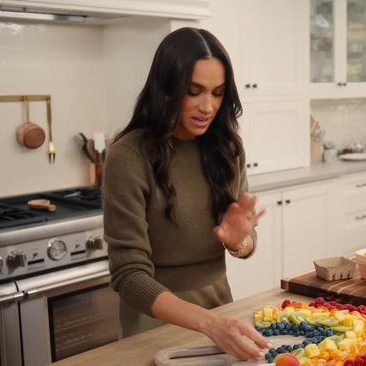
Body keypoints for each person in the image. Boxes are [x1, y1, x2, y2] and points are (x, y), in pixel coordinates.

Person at [102, 27, 269, 362]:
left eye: (218, 93)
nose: (208, 106)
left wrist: (240, 240)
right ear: (166, 88)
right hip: (151, 325)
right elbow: (129, 275)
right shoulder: (129, 155)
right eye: (194, 91)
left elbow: (245, 243)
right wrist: (210, 323)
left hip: (221, 313)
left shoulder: (227, 147)